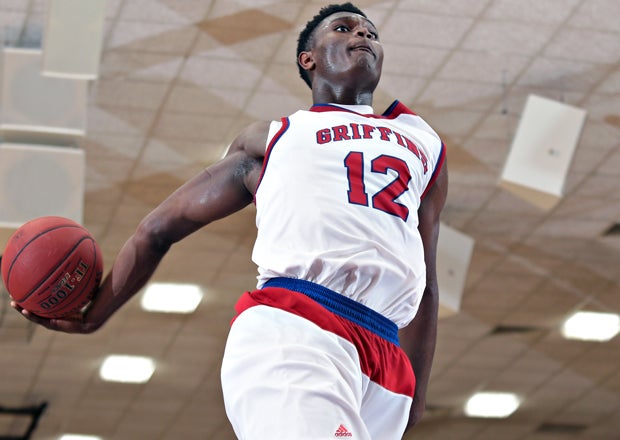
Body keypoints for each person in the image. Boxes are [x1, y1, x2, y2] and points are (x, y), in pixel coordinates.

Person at [14, 3, 447, 439]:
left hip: (385, 357)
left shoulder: (422, 141)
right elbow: (159, 228)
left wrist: (417, 386)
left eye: (371, 32)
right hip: (299, 327)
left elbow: (427, 277)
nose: (364, 36)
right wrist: (96, 314)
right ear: (308, 59)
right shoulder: (274, 138)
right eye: (344, 28)